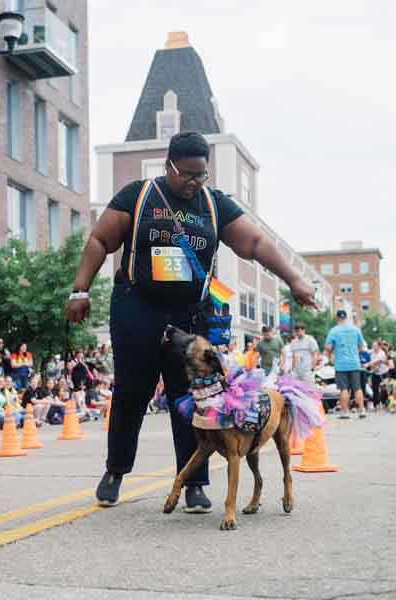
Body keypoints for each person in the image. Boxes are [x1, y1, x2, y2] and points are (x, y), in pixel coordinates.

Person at [65, 131, 316, 510]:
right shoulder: (138, 195)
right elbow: (101, 240)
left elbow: (256, 244)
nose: (194, 183)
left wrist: (293, 278)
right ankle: (115, 471)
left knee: (195, 395)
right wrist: (80, 289)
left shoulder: (214, 205)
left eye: (202, 176)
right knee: (132, 391)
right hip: (138, 305)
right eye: (187, 175)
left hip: (189, 313)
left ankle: (194, 482)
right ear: (169, 165)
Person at [325, 309, 366, 419]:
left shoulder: (333, 331)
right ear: (346, 318)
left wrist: (331, 355)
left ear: (337, 318)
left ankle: (345, 412)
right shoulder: (355, 329)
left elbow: (328, 347)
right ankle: (362, 410)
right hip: (354, 363)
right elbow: (362, 347)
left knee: (343, 389)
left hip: (341, 364)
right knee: (357, 388)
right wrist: (353, 351)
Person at [366, 341, 389, 410]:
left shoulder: (381, 353)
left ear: (379, 347)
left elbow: (376, 361)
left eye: (375, 346)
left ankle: (386, 403)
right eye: (373, 346)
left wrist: (367, 365)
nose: (373, 347)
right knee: (375, 389)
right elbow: (365, 351)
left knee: (385, 389)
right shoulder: (371, 352)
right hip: (375, 373)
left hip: (384, 373)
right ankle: (376, 404)